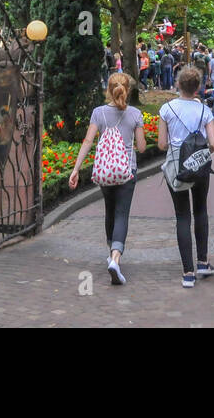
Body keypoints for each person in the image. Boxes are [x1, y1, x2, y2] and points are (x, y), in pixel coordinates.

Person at [70, 72, 147, 285]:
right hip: (127, 171)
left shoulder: (98, 113)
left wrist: (76, 169)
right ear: (128, 90)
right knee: (122, 214)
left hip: (105, 172)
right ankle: (115, 257)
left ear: (109, 90)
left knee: (110, 211)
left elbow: (87, 141)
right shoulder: (135, 114)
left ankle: (110, 251)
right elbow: (141, 148)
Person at [158, 65, 214, 287]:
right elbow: (213, 144)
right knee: (201, 210)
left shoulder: (166, 109)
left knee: (182, 216)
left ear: (178, 84)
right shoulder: (205, 111)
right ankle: (203, 261)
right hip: (200, 166)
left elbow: (161, 144)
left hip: (177, 168)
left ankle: (187, 272)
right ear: (198, 88)